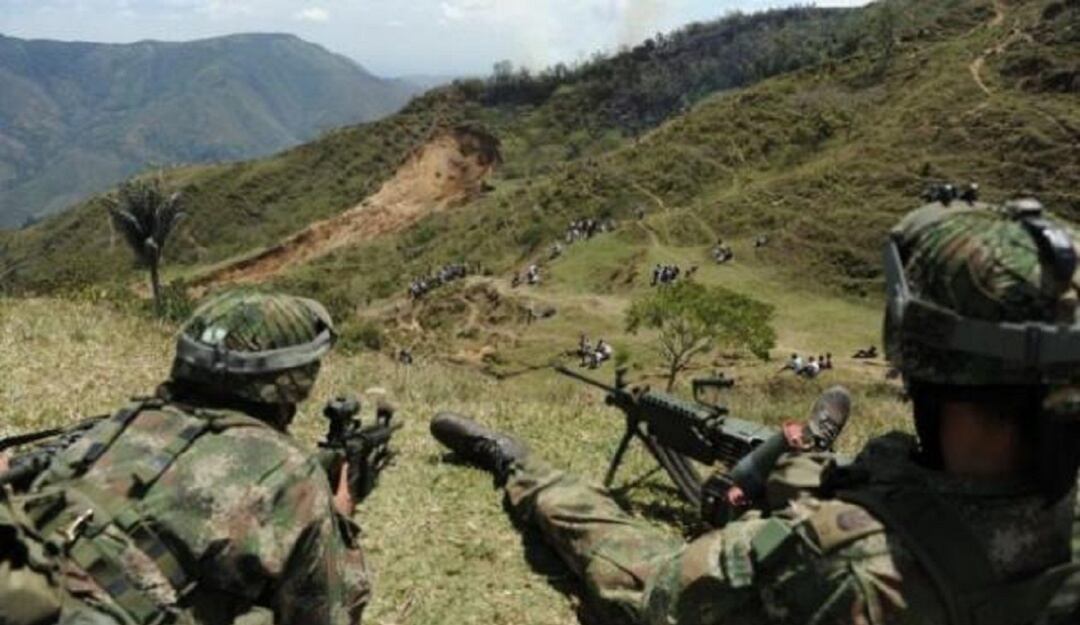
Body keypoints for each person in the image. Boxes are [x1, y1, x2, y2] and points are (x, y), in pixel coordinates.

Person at [429, 198, 1080, 624]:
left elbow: (654, 588)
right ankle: (809, 449)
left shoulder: (841, 565)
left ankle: (518, 467)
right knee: (814, 462)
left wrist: (533, 476)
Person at [0, 291, 370, 625]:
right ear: (294, 382)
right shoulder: (292, 474)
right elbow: (329, 612)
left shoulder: (123, 423)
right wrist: (339, 518)